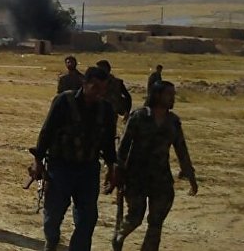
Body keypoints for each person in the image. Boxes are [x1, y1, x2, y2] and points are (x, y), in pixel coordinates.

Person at [31, 66, 117, 251]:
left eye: (103, 89)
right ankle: (52, 241)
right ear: (85, 83)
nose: (99, 93)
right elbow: (47, 132)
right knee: (53, 214)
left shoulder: (107, 109)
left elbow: (109, 142)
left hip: (88, 169)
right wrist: (37, 161)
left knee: (87, 218)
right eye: (95, 87)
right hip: (60, 167)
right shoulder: (64, 101)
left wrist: (111, 167)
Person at [112, 80, 197, 251]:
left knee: (156, 221)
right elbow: (123, 147)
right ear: (157, 95)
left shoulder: (173, 121)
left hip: (161, 178)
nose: (172, 98)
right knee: (135, 217)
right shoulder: (139, 117)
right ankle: (120, 235)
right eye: (169, 94)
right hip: (136, 177)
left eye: (173, 94)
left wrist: (190, 176)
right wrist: (117, 172)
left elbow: (181, 149)